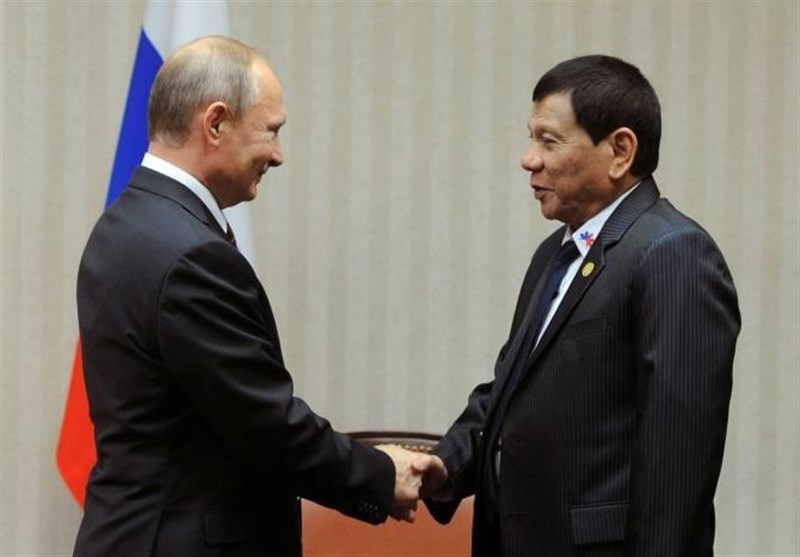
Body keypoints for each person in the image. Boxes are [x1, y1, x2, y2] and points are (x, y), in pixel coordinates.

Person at [73, 36, 421, 557]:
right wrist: (382, 474)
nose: (278, 155)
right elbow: (265, 425)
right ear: (215, 123)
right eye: (271, 131)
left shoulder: (124, 224)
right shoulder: (191, 254)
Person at [414, 55, 741, 556]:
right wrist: (446, 465)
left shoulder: (673, 253)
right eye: (531, 139)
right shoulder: (556, 253)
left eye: (549, 141)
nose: (529, 159)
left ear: (620, 151)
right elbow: (511, 390)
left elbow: (677, 464)